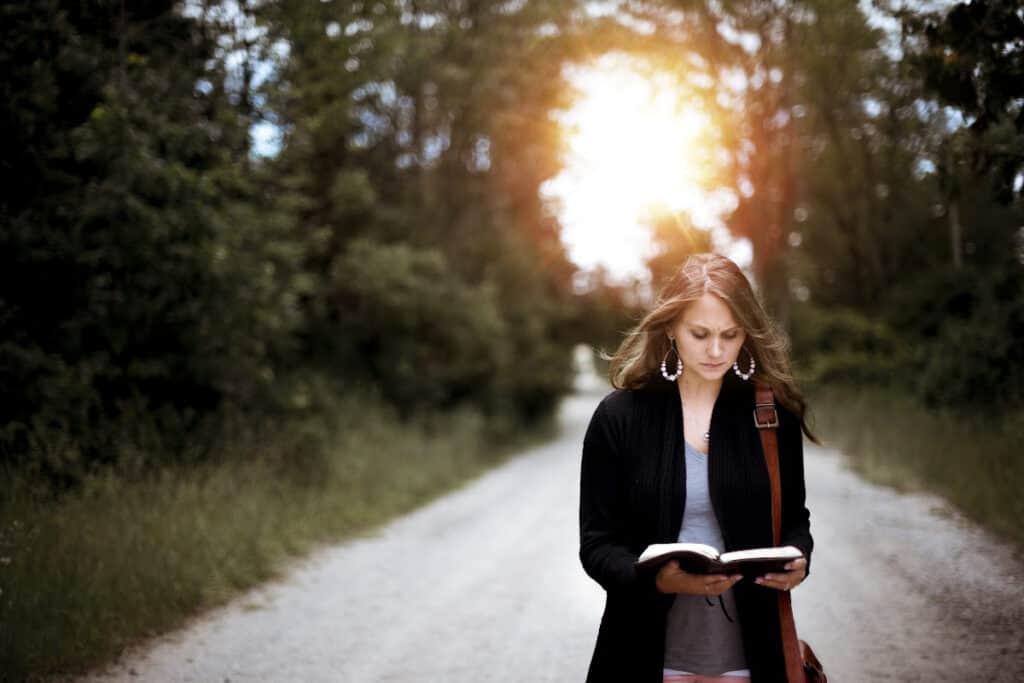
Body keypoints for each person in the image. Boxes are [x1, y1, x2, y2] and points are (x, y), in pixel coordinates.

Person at [579, 253, 818, 683]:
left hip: (753, 656)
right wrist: (659, 581)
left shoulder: (771, 414)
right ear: (670, 327)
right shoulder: (618, 417)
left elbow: (795, 520)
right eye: (700, 333)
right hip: (642, 653)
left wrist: (800, 559)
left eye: (731, 334)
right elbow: (596, 546)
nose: (716, 350)